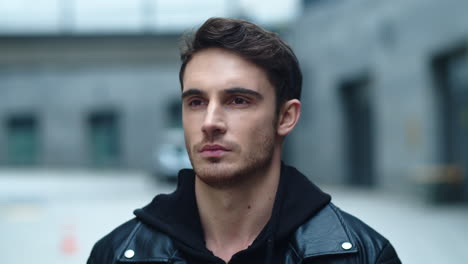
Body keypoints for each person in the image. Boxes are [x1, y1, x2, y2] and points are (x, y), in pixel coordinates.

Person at [87, 17, 401, 264]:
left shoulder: (363, 255)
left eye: (237, 100)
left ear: (285, 117)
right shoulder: (117, 254)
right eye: (196, 102)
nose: (210, 122)